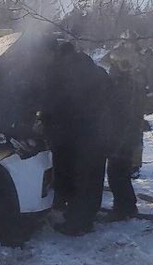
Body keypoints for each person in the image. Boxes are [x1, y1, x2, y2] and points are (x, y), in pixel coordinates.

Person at [41, 39, 112, 235]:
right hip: (99, 133)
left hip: (75, 135)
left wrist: (46, 122)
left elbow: (54, 105)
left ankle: (77, 223)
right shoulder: (97, 72)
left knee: (77, 177)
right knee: (93, 178)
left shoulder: (62, 74)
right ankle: (88, 216)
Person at [103, 51, 147, 219]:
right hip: (125, 136)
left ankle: (124, 208)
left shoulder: (124, 86)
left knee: (117, 174)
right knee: (119, 173)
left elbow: (123, 114)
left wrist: (118, 140)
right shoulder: (129, 84)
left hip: (123, 137)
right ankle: (125, 205)